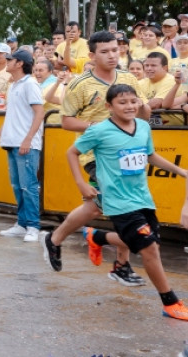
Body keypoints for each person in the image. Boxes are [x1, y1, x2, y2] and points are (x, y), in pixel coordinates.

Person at [58, 83, 188, 321]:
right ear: (109, 106)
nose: (129, 106)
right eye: (122, 102)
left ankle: (97, 237)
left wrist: (181, 171)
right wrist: (81, 183)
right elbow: (72, 152)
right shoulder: (100, 131)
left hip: (142, 197)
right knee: (149, 249)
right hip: (117, 199)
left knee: (152, 245)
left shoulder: (142, 127)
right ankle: (170, 302)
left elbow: (150, 155)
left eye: (133, 101)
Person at [42, 31, 151, 286]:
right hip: (96, 155)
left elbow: (142, 112)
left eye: (115, 49)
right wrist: (95, 127)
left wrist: (144, 108)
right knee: (122, 210)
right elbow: (66, 121)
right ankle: (109, 256)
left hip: (127, 154)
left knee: (104, 208)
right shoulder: (81, 84)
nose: (112, 55)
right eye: (105, 51)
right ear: (92, 55)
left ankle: (66, 240)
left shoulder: (128, 78)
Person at [0, 49, 45, 242]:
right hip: (11, 142)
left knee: (29, 186)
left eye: (10, 59)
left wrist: (28, 139)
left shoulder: (30, 84)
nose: (6, 61)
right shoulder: (14, 86)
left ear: (19, 63)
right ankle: (22, 223)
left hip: (25, 144)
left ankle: (33, 226)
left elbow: (39, 113)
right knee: (18, 186)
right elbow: (11, 116)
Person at [140, 52, 182, 125]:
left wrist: (140, 106)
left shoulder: (171, 80)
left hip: (173, 128)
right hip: (148, 126)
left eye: (153, 65)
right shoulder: (140, 83)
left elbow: (155, 104)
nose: (149, 68)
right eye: (146, 65)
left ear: (165, 68)